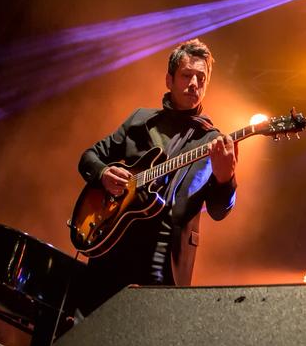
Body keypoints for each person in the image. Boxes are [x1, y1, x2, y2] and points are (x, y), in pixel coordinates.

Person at [76, 39, 238, 313]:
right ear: (169, 79)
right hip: (115, 241)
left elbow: (220, 210)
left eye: (202, 78)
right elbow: (89, 157)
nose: (194, 84)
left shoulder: (214, 142)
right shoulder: (140, 120)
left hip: (164, 260)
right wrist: (103, 173)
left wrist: (225, 179)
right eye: (187, 75)